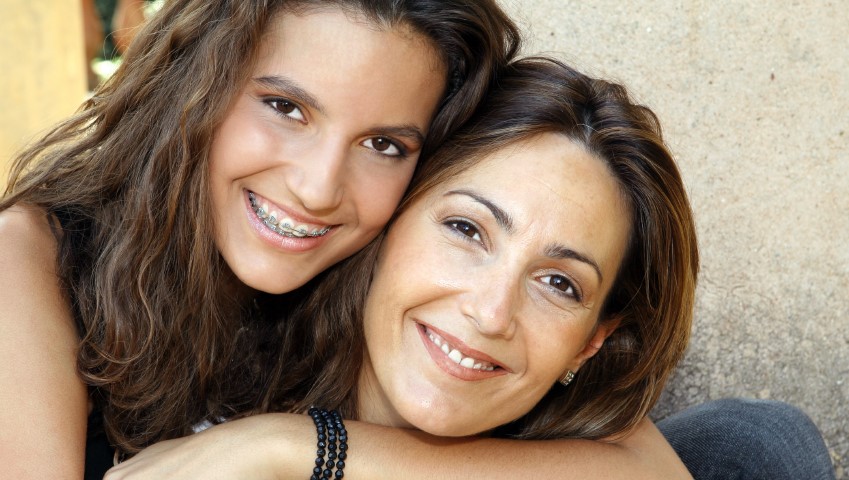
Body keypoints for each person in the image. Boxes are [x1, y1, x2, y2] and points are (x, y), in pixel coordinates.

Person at [106, 57, 835, 480]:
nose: (491, 312)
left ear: (590, 340)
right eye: (466, 229)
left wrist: (301, 448)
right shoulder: (193, 421)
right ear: (387, 221)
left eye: (559, 284)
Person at [0, 0, 520, 478]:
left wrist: (291, 445)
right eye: (285, 107)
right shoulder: (28, 258)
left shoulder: (381, 305)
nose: (317, 189)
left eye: (382, 144)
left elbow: (599, 464)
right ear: (195, 84)